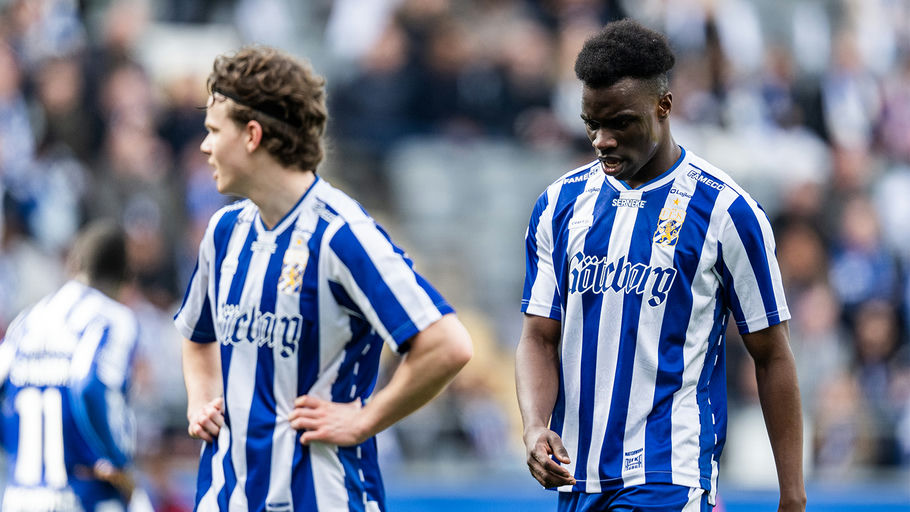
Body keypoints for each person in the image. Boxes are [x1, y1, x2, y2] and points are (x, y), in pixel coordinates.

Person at [515, 19, 806, 512]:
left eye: (620, 123)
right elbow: (538, 338)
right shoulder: (558, 205)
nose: (602, 140)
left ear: (664, 106)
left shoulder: (726, 211)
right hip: (578, 479)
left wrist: (792, 495)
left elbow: (772, 354)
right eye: (592, 124)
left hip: (670, 475)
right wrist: (534, 426)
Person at [174, 46, 472, 512]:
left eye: (214, 130)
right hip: (226, 498)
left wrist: (365, 419)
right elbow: (197, 336)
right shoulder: (224, 232)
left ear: (252, 135)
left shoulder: (341, 235)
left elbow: (447, 345)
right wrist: (201, 400)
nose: (204, 146)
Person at [0, 220, 141, 512]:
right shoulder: (113, 318)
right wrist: (116, 460)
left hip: (21, 497)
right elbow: (90, 385)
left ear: (74, 264)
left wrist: (15, 448)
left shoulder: (27, 320)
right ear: (127, 276)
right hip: (84, 496)